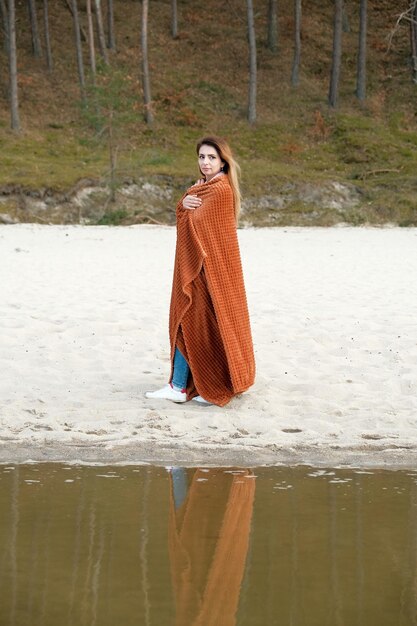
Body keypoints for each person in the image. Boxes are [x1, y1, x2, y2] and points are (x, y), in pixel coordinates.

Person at [145, 136, 255, 406]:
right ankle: (185, 385)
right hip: (201, 270)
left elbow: (199, 225)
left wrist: (185, 203)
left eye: (211, 158)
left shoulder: (218, 190)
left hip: (206, 272)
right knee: (196, 325)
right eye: (202, 157)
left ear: (222, 161)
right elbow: (188, 215)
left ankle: (184, 386)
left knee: (191, 323)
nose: (205, 162)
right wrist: (184, 203)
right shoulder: (203, 188)